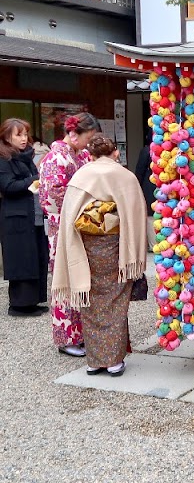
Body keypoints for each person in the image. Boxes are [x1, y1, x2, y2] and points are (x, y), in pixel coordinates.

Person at [52, 135, 147, 376]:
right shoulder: (125, 177)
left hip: (86, 249)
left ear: (91, 155)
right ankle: (114, 361)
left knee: (91, 301)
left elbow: (68, 214)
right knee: (115, 302)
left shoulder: (81, 176)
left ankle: (94, 361)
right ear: (115, 152)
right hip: (117, 247)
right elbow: (136, 215)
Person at [39, 112, 100, 356]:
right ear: (74, 135)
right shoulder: (55, 157)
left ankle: (83, 332)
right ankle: (66, 337)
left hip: (84, 224)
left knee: (83, 280)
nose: (89, 143)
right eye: (88, 137)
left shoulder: (82, 155)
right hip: (63, 225)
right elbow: (51, 196)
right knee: (65, 280)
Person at [0, 119, 49, 316]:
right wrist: (34, 180)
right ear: (6, 137)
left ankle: (33, 301)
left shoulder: (26, 156)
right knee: (22, 259)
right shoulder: (3, 159)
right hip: (16, 217)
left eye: (25, 134)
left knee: (36, 257)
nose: (23, 139)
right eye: (18, 134)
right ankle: (20, 305)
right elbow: (7, 186)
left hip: (33, 215)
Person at [134, 129, 156, 251]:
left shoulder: (147, 150)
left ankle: (153, 245)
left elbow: (139, 171)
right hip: (162, 185)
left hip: (149, 185)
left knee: (150, 215)